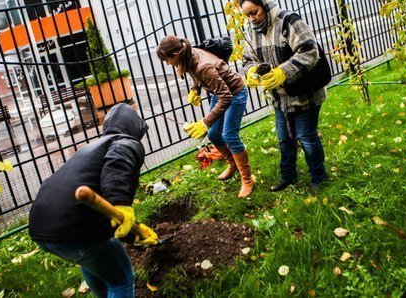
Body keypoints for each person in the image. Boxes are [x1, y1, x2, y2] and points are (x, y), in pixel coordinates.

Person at [28, 103, 158, 298]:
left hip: (42, 225)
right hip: (72, 226)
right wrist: (121, 203)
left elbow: (105, 211)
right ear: (134, 127)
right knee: (121, 279)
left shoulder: (93, 148)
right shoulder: (126, 143)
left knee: (94, 263)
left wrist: (134, 236)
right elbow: (117, 167)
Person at [239, 0, 328, 192]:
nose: (251, 18)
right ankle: (288, 177)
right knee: (284, 139)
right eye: (247, 15)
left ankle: (319, 177)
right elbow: (247, 59)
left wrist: (283, 72)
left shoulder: (289, 21)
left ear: (266, 5)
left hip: (304, 93)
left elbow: (309, 51)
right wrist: (251, 71)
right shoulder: (251, 31)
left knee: (306, 137)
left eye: (255, 12)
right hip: (279, 98)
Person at [156, 35, 253, 198]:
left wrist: (204, 122)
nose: (167, 64)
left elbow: (226, 97)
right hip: (220, 92)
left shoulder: (203, 66)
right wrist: (195, 89)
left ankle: (247, 179)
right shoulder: (187, 54)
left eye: (166, 60)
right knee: (214, 134)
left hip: (234, 92)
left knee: (229, 135)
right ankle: (233, 164)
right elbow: (196, 75)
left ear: (174, 55)